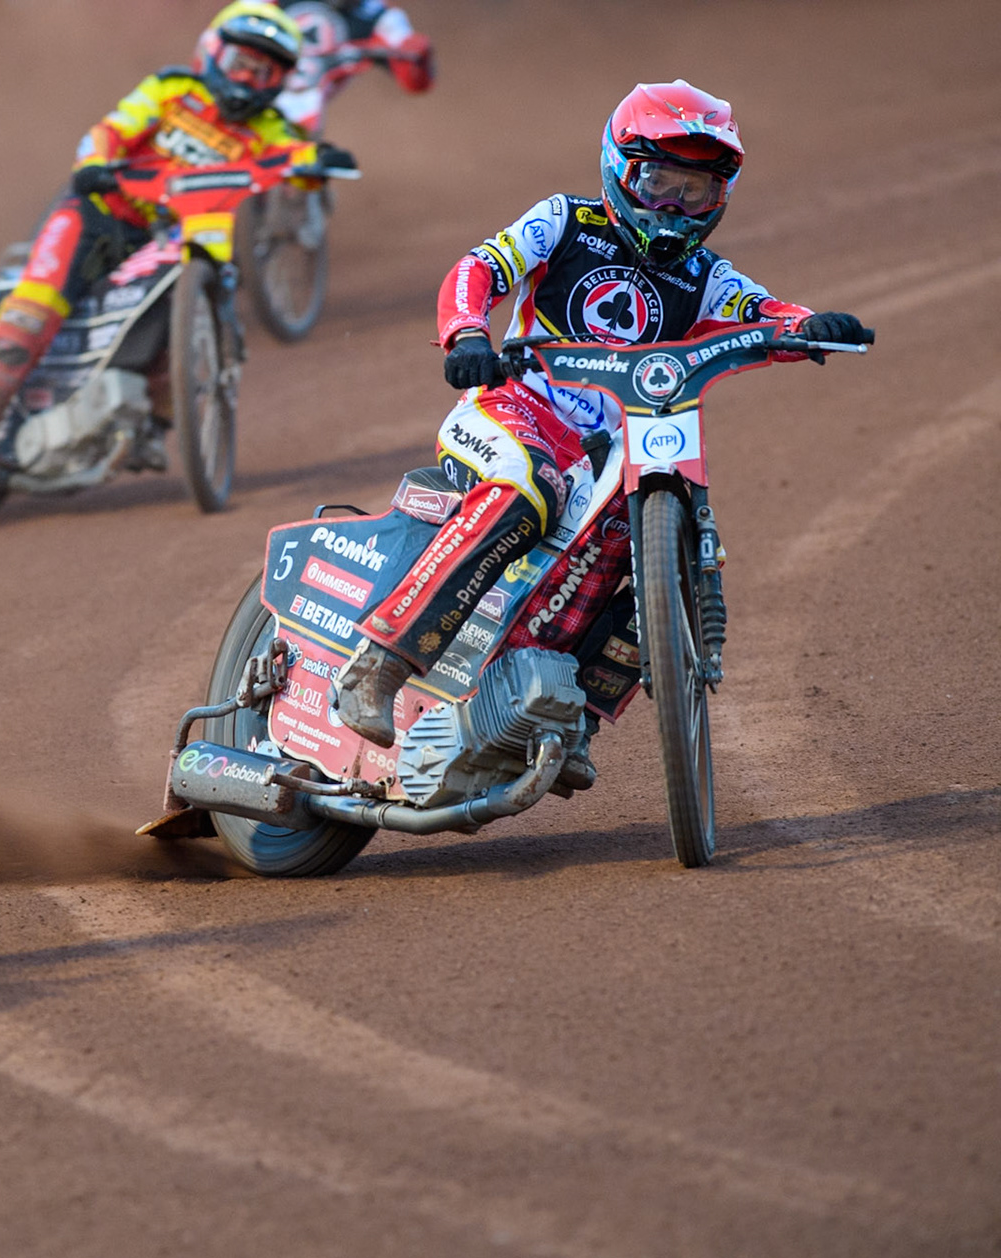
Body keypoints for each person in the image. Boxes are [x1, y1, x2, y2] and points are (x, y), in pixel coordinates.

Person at [332, 81, 871, 783]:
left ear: (721, 197)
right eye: (658, 182)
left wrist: (806, 325)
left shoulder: (705, 276)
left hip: (609, 454)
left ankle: (566, 717)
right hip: (510, 411)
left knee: (659, 554)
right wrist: (465, 334)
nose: (674, 208)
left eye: (695, 191)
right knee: (531, 487)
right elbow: (479, 268)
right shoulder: (563, 221)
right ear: (620, 168)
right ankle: (380, 663)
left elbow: (763, 309)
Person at [0, 1, 356, 493]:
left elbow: (295, 163)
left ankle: (152, 425)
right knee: (30, 318)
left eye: (264, 71)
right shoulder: (172, 89)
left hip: (169, 239)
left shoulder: (269, 129)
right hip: (99, 217)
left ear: (281, 80)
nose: (248, 78)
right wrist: (95, 160)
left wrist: (319, 164)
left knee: (179, 312)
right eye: (241, 62)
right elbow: (114, 128)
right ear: (212, 53)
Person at [272, 1, 433, 136]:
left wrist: (417, 52)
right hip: (255, 90)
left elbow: (415, 80)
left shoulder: (377, 15)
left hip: (302, 118)